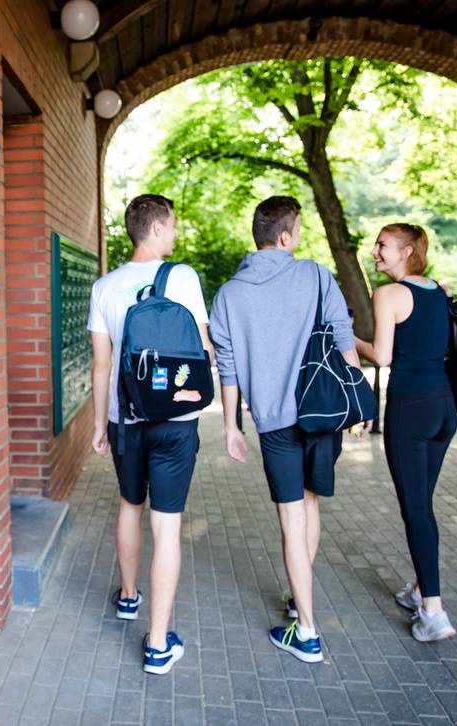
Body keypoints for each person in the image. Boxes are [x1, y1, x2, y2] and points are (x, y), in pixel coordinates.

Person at [209, 196, 368, 663]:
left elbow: (229, 367)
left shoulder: (229, 295)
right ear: (285, 236)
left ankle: (307, 622)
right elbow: (343, 339)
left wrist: (232, 427)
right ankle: (305, 616)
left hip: (275, 423)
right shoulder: (316, 275)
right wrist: (358, 404)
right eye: (297, 230)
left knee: (290, 520)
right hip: (321, 415)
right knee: (310, 504)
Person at [88, 194, 214, 675]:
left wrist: (101, 425)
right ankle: (158, 644)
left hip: (127, 419)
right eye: (173, 225)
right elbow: (201, 348)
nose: (176, 234)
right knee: (167, 525)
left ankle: (127, 596)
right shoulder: (182, 278)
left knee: (128, 505)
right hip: (177, 422)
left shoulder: (105, 287)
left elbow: (102, 365)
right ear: (157, 229)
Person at [354, 223, 457, 642]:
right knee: (423, 506)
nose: (375, 251)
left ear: (408, 251)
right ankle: (420, 588)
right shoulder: (438, 290)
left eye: (383, 246)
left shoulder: (390, 294)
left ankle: (433, 612)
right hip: (443, 409)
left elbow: (381, 356)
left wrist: (348, 338)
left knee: (416, 509)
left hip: (410, 410)